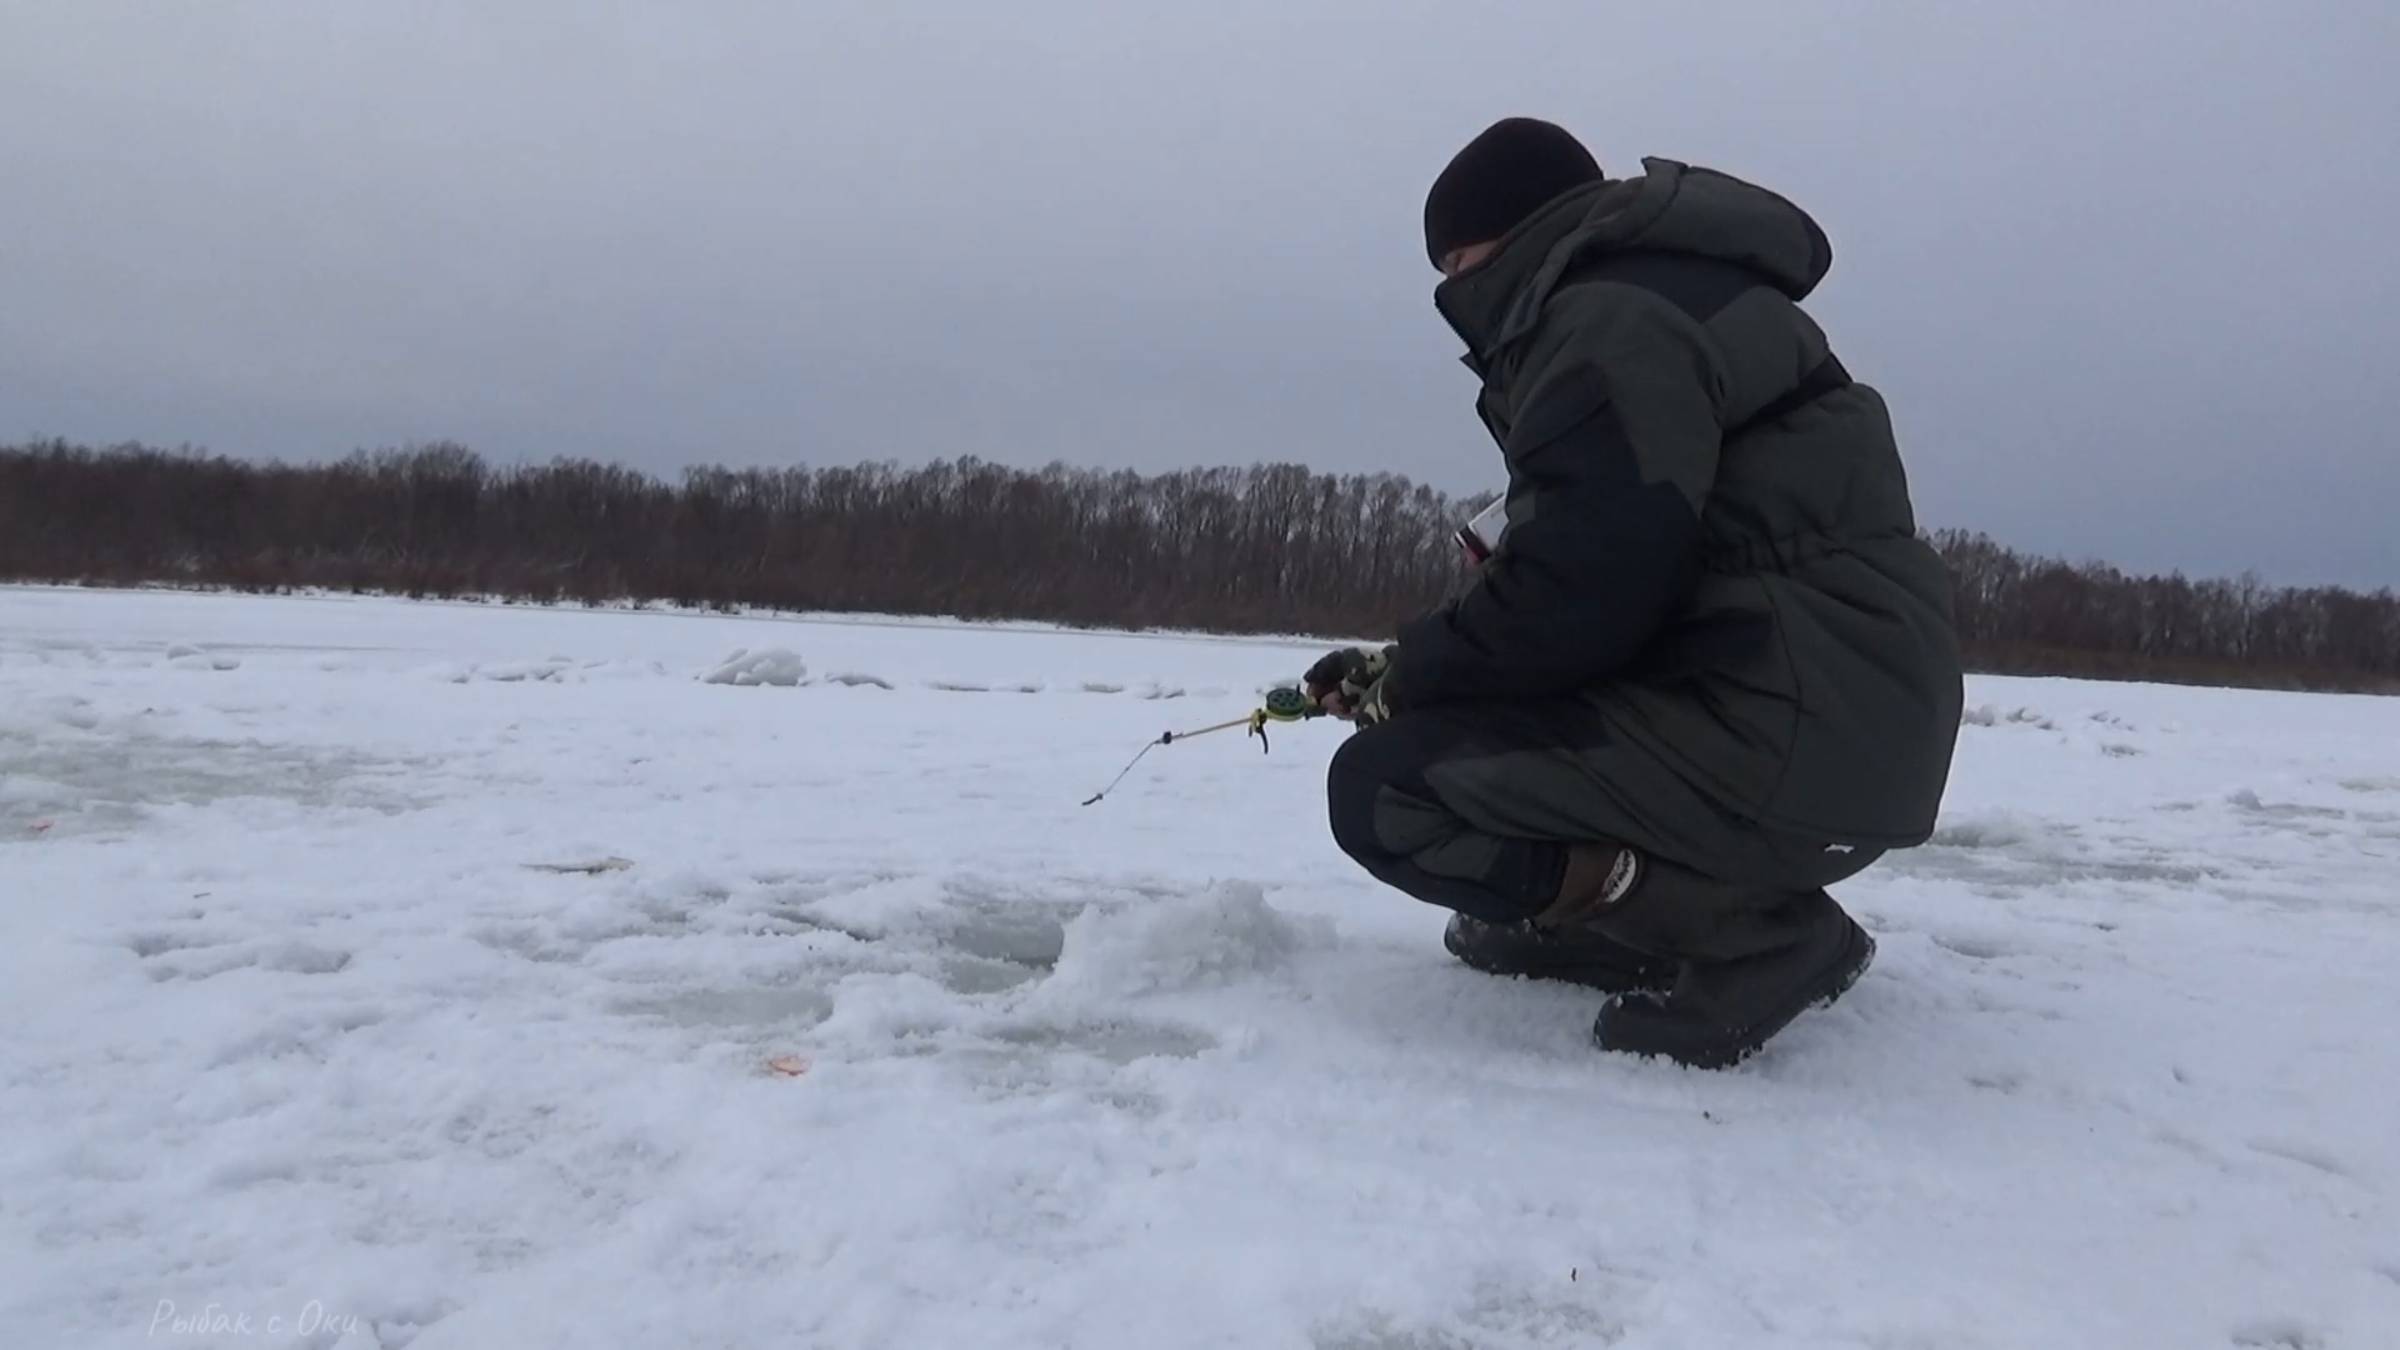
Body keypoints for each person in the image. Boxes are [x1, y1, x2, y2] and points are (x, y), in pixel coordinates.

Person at [1305, 118, 1963, 1069]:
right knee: (1474, 733)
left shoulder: (1607, 320)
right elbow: (1605, 569)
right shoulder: (1664, 294)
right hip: (1834, 717)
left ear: (1519, 231)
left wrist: (1413, 678)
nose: (1451, 288)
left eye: (1457, 257)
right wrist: (1414, 662)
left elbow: (1582, 596)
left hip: (1789, 726)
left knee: (1390, 792)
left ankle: (1752, 936)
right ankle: (1606, 923)